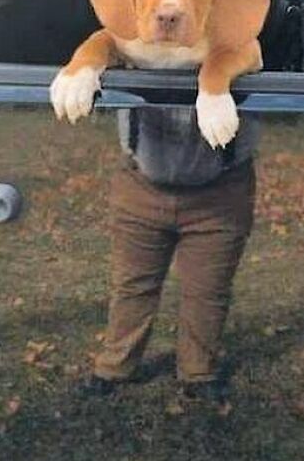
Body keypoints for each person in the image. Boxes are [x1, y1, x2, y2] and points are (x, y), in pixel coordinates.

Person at [84, 106, 257, 405]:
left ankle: (198, 371)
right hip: (141, 185)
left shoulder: (237, 68)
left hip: (222, 193)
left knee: (208, 289)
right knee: (133, 284)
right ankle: (115, 366)